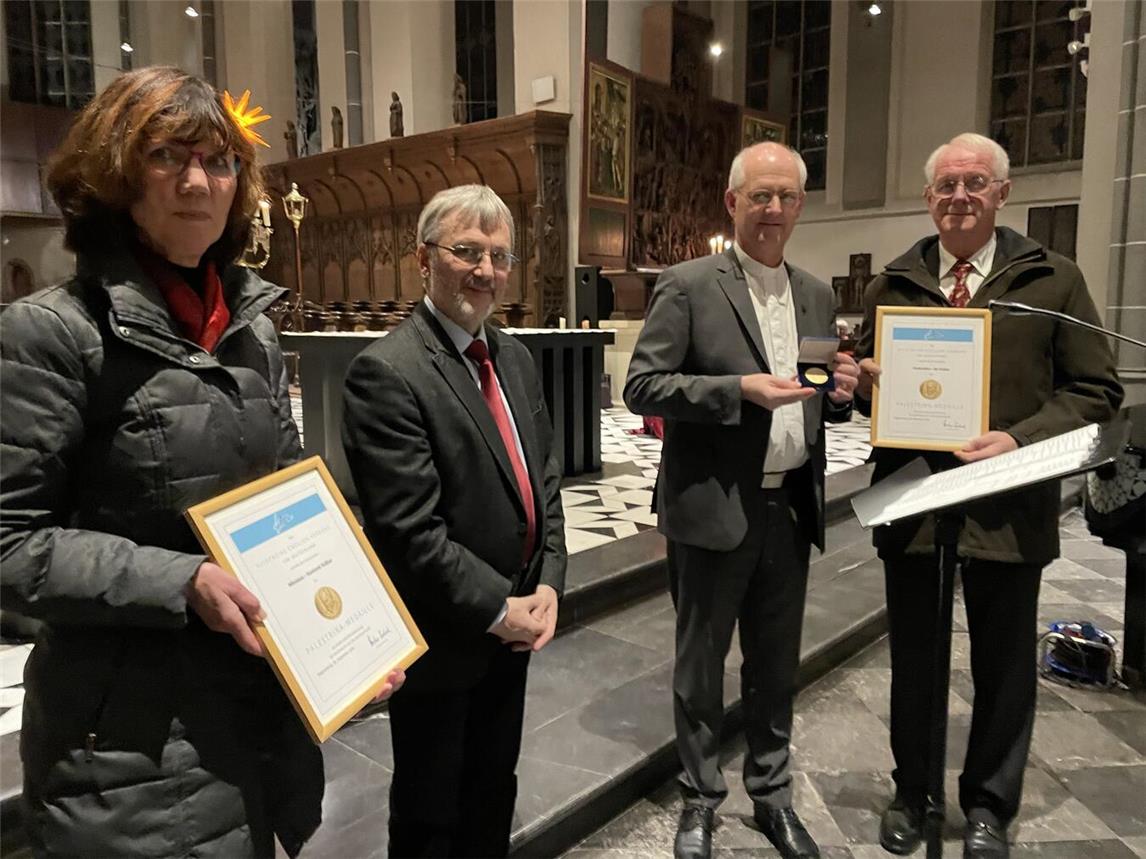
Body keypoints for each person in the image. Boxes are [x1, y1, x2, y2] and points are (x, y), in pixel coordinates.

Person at [0, 66, 403, 858]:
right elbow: (9, 546)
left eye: (218, 160)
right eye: (166, 155)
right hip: (126, 754)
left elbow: (288, 494)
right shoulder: (49, 335)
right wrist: (180, 579)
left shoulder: (248, 327)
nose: (197, 181)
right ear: (114, 172)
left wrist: (354, 626)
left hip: (250, 721)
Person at [854, 132, 1122, 858]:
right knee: (914, 657)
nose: (960, 196)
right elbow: (864, 392)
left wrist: (1021, 440)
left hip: (1008, 502)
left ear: (1002, 193)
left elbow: (1098, 392)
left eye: (975, 182)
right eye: (946, 184)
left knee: (1003, 663)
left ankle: (988, 806)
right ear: (928, 197)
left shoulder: (1054, 281)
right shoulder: (895, 281)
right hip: (915, 499)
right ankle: (913, 793)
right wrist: (862, 386)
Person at [624, 142, 860, 859]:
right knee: (701, 666)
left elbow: (816, 397)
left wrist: (841, 397)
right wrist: (737, 392)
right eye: (760, 195)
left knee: (775, 663)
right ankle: (700, 797)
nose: (774, 209)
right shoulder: (690, 284)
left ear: (800, 205)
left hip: (788, 507)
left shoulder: (817, 293)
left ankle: (772, 792)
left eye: (786, 196)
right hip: (714, 506)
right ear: (732, 202)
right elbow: (642, 385)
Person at [341, 184, 567, 858]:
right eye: (466, 251)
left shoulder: (514, 356)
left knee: (493, 788)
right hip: (445, 634)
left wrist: (551, 578)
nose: (485, 270)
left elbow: (544, 480)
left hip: (513, 628)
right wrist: (501, 606)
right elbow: (412, 532)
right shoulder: (387, 371)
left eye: (499, 256)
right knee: (430, 812)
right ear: (423, 259)